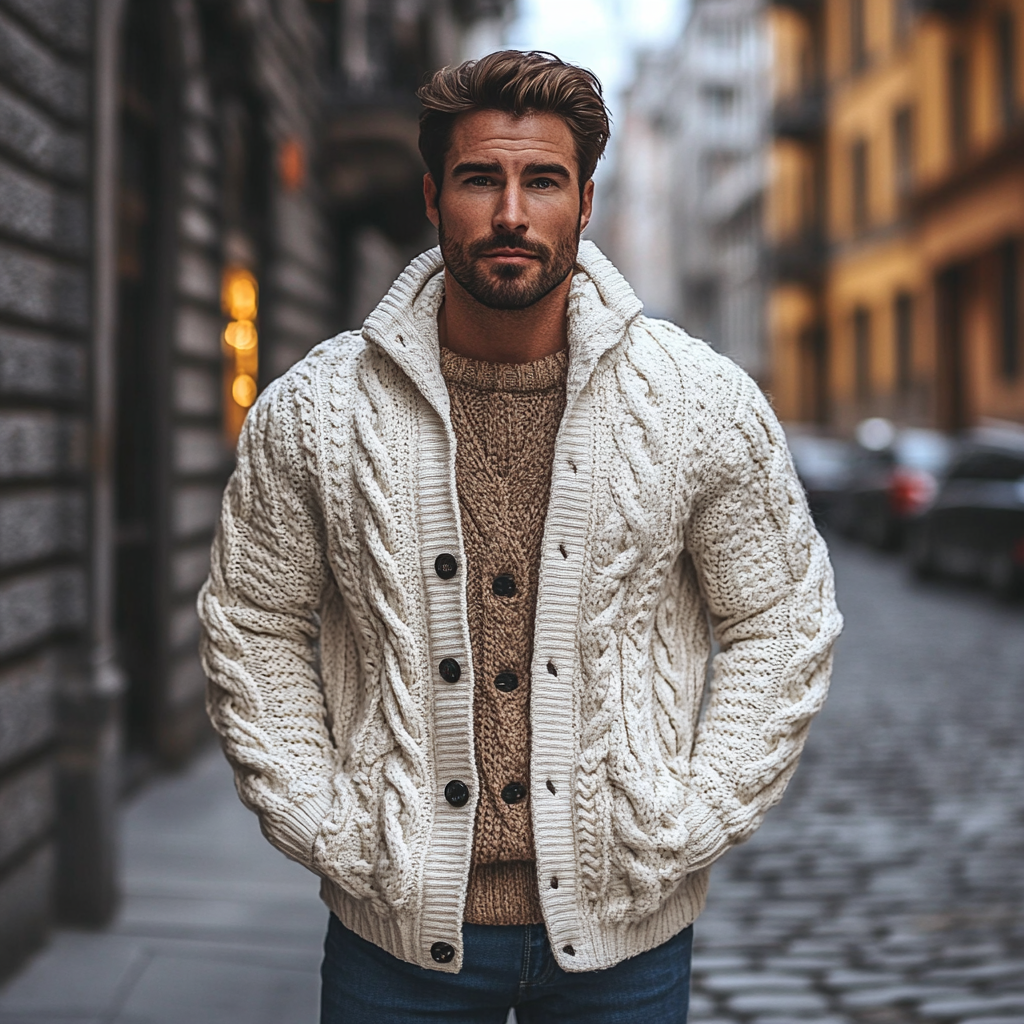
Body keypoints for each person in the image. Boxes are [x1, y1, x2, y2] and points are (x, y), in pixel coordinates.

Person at [198, 50, 842, 1024]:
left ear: (585, 202)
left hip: (627, 941)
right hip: (395, 938)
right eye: (478, 179)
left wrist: (696, 809)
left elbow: (782, 616)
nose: (510, 212)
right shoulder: (316, 411)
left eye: (542, 180)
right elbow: (254, 621)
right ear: (431, 196)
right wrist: (327, 818)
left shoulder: (700, 402)